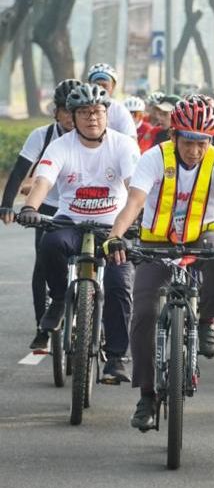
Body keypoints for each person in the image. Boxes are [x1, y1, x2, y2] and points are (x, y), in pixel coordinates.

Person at [101, 98, 214, 431]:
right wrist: (115, 235)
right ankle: (146, 396)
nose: (195, 150)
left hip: (203, 234)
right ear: (174, 136)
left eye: (203, 142)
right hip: (156, 239)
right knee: (143, 313)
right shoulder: (153, 158)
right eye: (188, 142)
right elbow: (136, 200)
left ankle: (208, 320)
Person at [17, 83, 140, 382]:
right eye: (84, 112)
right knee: (49, 244)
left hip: (113, 227)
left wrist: (136, 222)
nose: (92, 118)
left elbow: (134, 188)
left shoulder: (123, 145)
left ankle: (114, 358)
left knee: (118, 283)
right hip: (70, 222)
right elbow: (42, 182)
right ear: (73, 117)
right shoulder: (60, 146)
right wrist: (29, 207)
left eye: (97, 111)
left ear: (106, 114)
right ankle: (59, 299)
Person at [0, 78, 81, 349]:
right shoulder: (42, 136)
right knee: (42, 265)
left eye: (76, 109)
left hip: (83, 208)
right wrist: (7, 204)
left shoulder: (92, 136)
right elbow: (20, 170)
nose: (71, 116)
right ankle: (43, 329)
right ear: (55, 111)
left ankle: (95, 322)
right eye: (65, 110)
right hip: (46, 206)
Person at [86, 63, 137, 139]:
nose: (100, 89)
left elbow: (131, 139)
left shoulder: (120, 110)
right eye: (97, 85)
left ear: (113, 87)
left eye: (104, 85)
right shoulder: (81, 108)